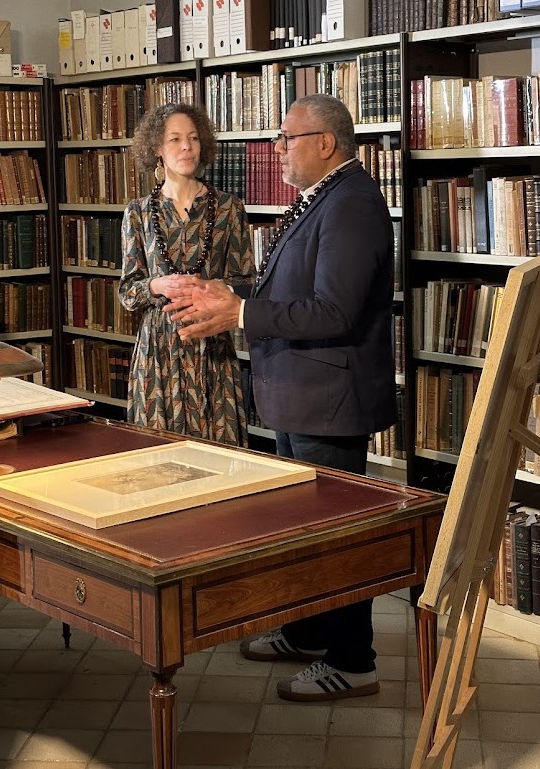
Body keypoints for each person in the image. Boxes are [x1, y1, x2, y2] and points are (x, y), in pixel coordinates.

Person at [164, 93, 397, 701]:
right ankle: (310, 628)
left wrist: (238, 310)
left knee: (336, 535)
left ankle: (353, 660)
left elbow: (333, 310)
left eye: (287, 138)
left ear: (325, 143)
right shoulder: (324, 198)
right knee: (304, 531)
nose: (278, 149)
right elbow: (285, 287)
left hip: (327, 397)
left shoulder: (350, 205)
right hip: (300, 392)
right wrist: (227, 289)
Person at [118, 103, 255, 446]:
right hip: (158, 353)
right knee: (159, 462)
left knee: (221, 458)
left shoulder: (228, 208)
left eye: (193, 139)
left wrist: (213, 289)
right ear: (156, 149)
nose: (186, 147)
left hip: (212, 347)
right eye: (175, 139)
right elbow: (128, 292)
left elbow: (247, 282)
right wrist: (156, 284)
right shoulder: (137, 213)